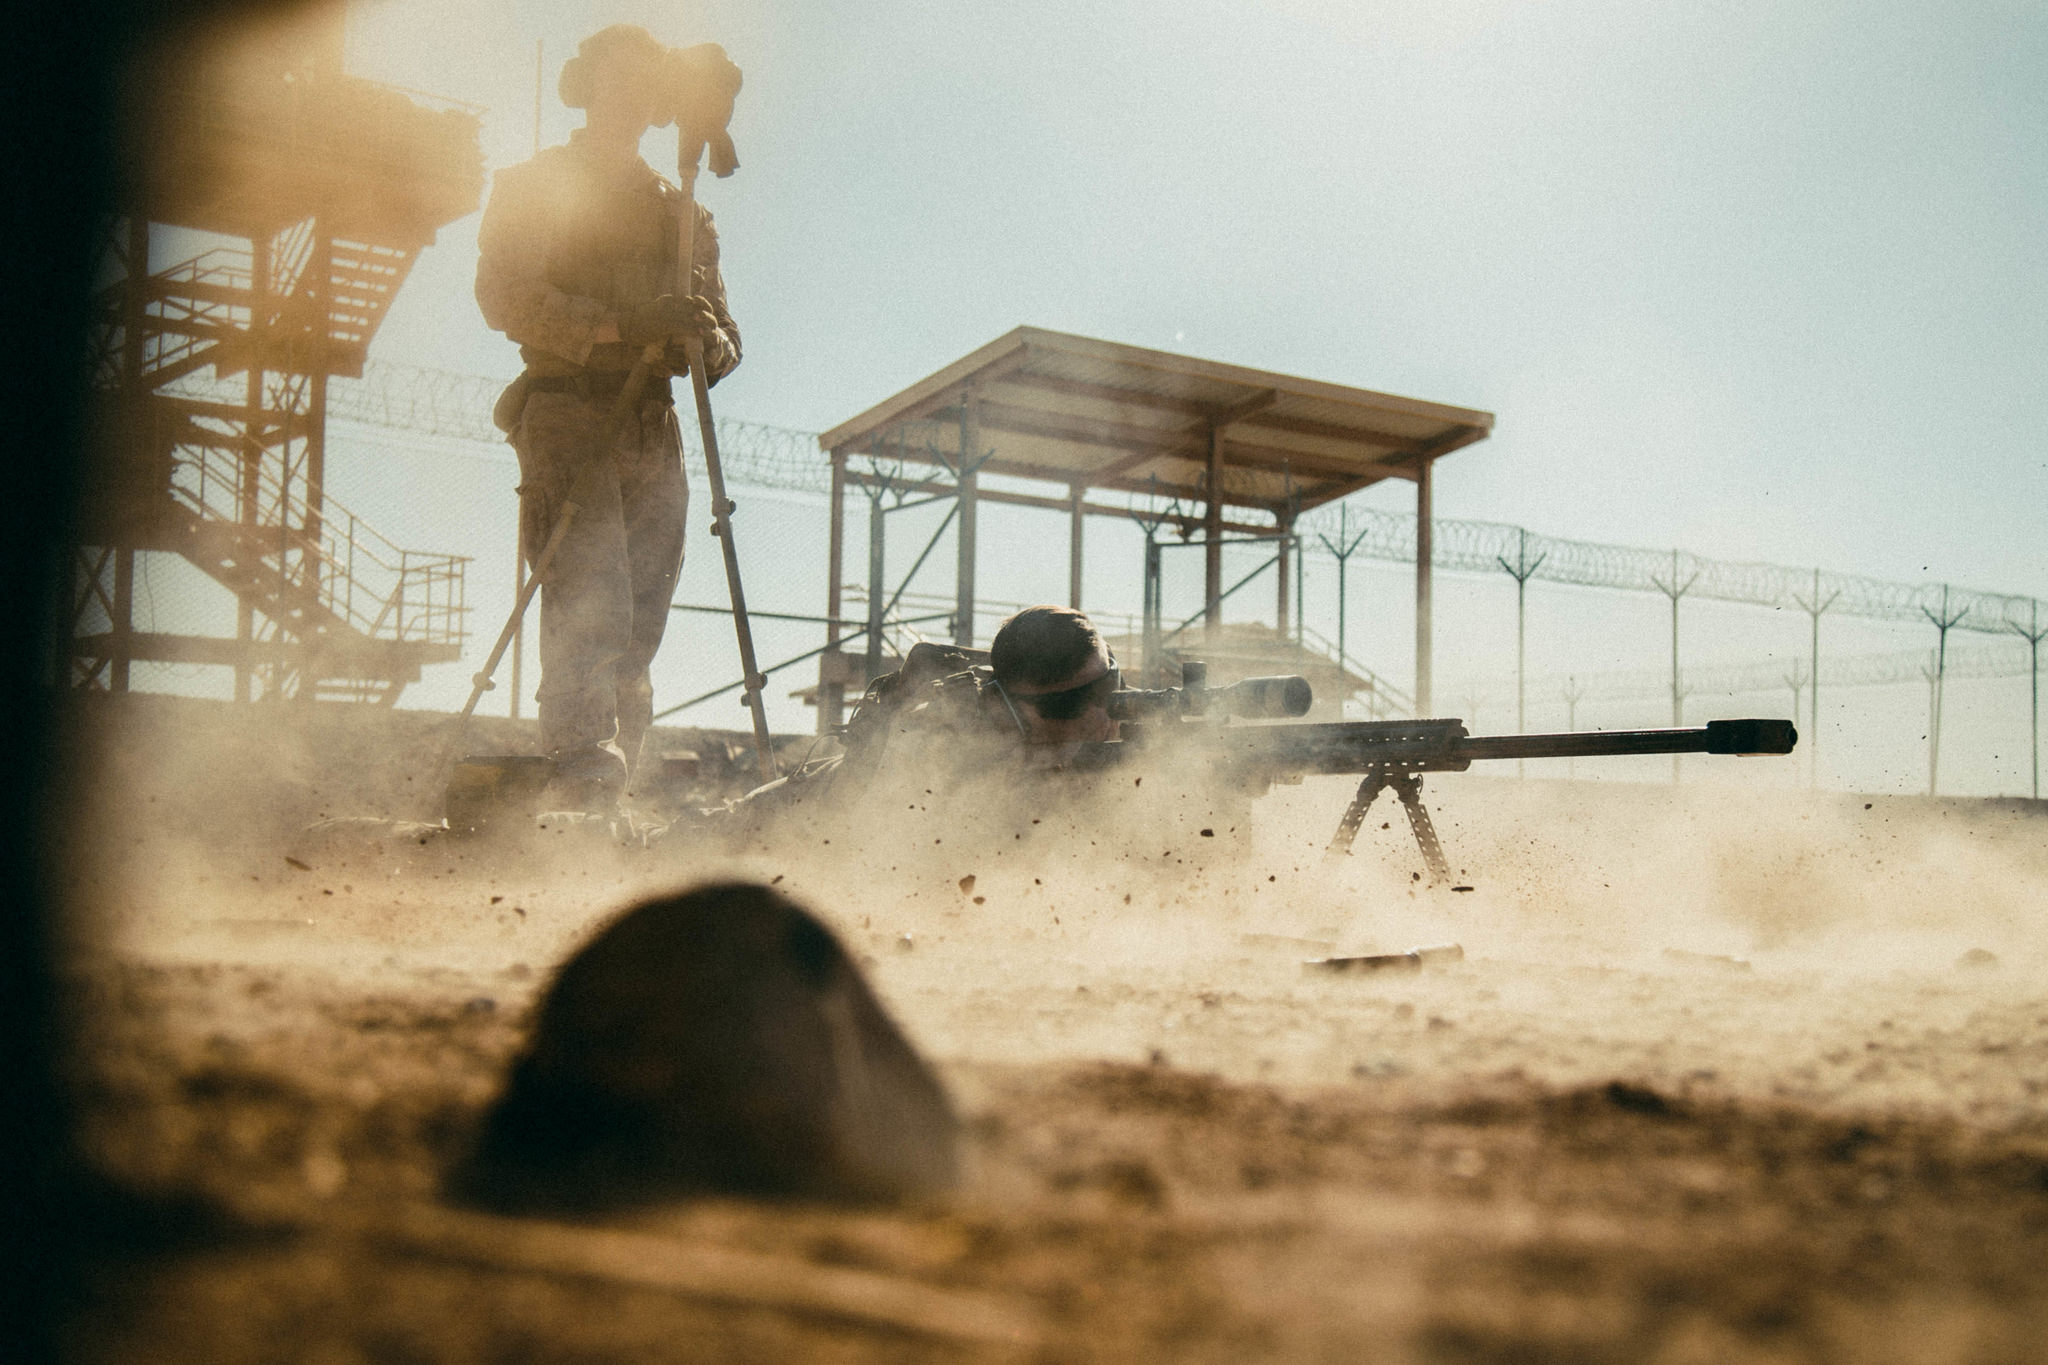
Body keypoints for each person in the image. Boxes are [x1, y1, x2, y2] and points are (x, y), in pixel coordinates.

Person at [475, 23, 741, 812]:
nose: (629, 99)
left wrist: (698, 337)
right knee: (590, 597)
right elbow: (506, 297)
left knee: (643, 616)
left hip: (652, 423)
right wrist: (624, 328)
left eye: (644, 86)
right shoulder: (533, 185)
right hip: (568, 409)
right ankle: (583, 771)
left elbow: (728, 342)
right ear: (587, 86)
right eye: (615, 81)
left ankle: (615, 783)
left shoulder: (682, 212)